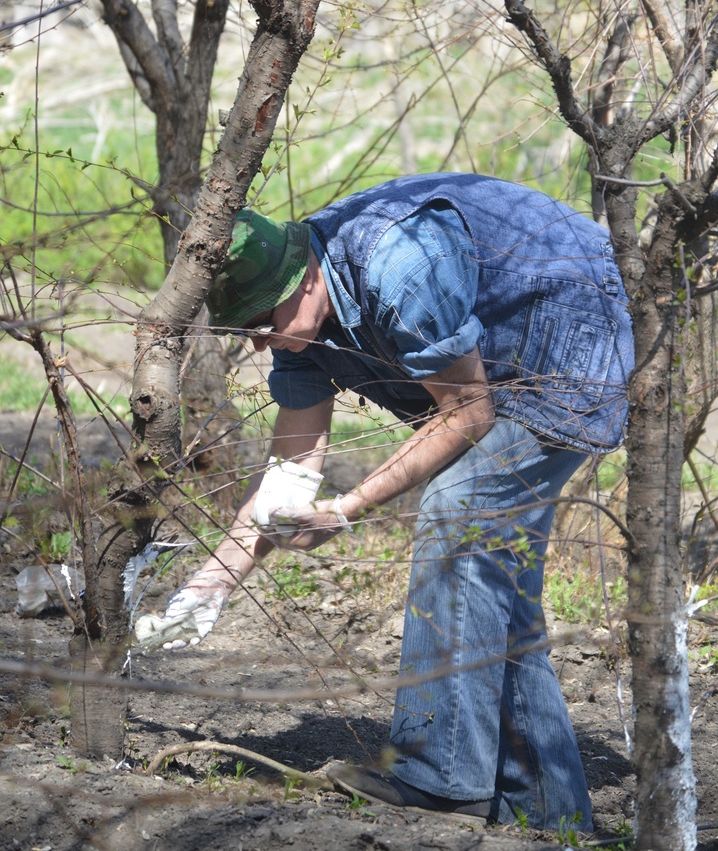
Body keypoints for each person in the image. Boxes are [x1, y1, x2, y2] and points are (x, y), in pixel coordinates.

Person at [153, 173, 634, 831]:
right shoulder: (304, 332)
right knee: (493, 587)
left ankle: (442, 775)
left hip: (568, 333)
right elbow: (287, 480)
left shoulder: (398, 265)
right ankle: (550, 814)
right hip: (491, 367)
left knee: (456, 517)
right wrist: (207, 589)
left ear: (308, 280)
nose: (260, 342)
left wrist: (348, 507)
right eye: (247, 331)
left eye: (265, 321)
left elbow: (467, 411)